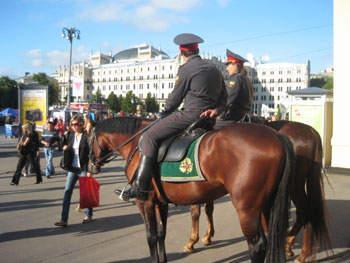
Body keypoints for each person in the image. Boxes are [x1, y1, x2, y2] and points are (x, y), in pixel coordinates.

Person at [116, 33, 227, 201]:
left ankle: (140, 187)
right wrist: (216, 111)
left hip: (190, 114)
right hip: (208, 118)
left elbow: (175, 98)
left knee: (148, 136)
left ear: (182, 53)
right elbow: (224, 98)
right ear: (197, 50)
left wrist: (165, 113)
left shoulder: (186, 69)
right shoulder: (214, 69)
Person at [55, 115, 94, 227]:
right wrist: (65, 148)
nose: (74, 126)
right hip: (72, 168)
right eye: (72, 124)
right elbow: (64, 145)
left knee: (86, 193)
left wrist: (90, 170)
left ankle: (89, 215)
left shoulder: (87, 136)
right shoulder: (70, 135)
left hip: (83, 168)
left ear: (81, 124)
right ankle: (64, 219)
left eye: (76, 124)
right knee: (67, 192)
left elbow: (91, 154)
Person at [215, 49, 254, 129]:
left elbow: (228, 99)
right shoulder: (246, 78)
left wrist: (220, 115)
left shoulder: (236, 79)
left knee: (208, 128)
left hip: (233, 117)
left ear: (236, 65)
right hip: (242, 116)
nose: (227, 69)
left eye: (229, 65)